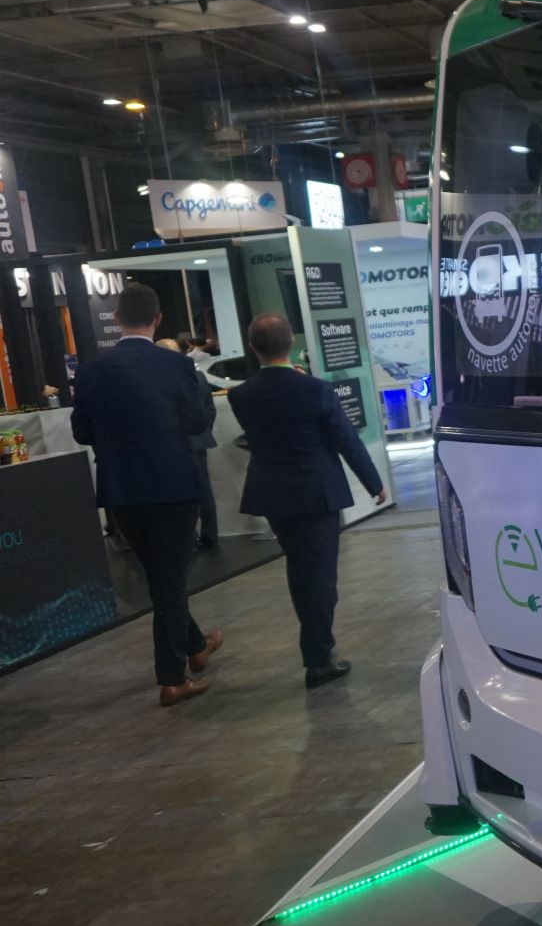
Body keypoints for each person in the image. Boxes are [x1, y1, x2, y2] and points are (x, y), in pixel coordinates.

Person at [71, 284, 223, 707]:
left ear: (116, 318)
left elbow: (82, 432)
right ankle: (172, 679)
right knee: (171, 582)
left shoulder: (91, 371)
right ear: (157, 319)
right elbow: (196, 422)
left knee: (161, 578)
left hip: (122, 492)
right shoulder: (176, 365)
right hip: (174, 487)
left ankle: (196, 648)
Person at [227, 313, 386, 688]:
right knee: (320, 577)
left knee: (301, 570)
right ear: (292, 344)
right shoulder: (316, 390)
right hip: (317, 493)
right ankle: (318, 658)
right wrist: (373, 482)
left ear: (252, 348)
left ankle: (317, 650)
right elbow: (345, 439)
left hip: (273, 495)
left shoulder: (240, 395)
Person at [156, 339, 219, 545]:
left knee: (179, 493)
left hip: (174, 445)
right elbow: (209, 409)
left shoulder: (160, 380)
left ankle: (188, 538)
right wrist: (202, 431)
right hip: (198, 442)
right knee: (204, 490)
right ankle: (210, 536)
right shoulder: (197, 376)